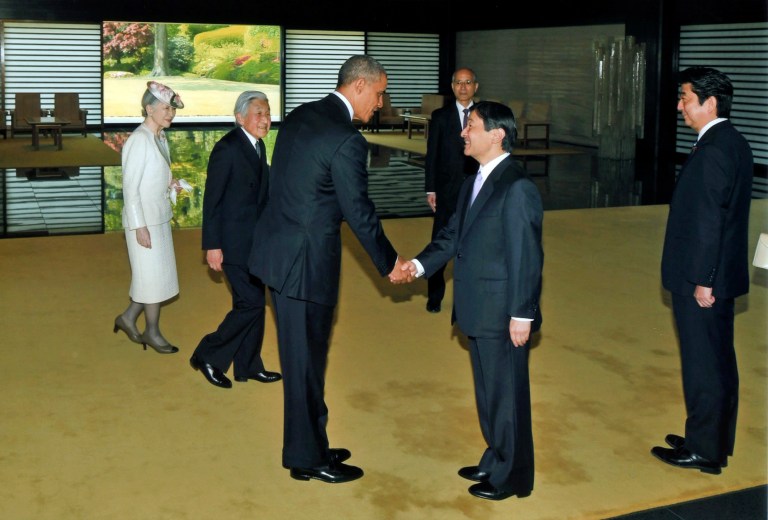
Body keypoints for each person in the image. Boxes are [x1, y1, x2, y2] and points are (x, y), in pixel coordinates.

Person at [248, 55, 409, 484]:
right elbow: (359, 212)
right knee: (304, 363)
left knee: (306, 360)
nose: (380, 103)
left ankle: (312, 442)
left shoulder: (302, 115)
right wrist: (390, 263)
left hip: (278, 255)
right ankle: (306, 459)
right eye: (379, 94)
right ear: (359, 87)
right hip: (304, 266)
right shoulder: (346, 139)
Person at [398, 101, 543, 501]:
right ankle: (496, 456)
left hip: (502, 311)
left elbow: (527, 257)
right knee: (488, 391)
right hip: (479, 307)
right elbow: (450, 237)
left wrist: (521, 314)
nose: (463, 132)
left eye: (472, 126)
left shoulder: (517, 186)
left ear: (497, 134)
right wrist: (416, 266)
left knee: (506, 395)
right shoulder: (475, 180)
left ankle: (512, 476)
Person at [651, 67, 754, 475]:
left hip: (703, 278)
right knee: (717, 359)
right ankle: (711, 438)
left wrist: (703, 280)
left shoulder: (713, 150)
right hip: (716, 274)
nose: (680, 107)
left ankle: (704, 451)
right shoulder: (731, 141)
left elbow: (710, 221)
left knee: (702, 364)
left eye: (685, 98)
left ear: (709, 103)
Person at [189, 91, 282, 389]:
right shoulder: (227, 148)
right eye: (258, 113)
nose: (265, 119)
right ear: (239, 117)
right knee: (251, 303)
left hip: (255, 243)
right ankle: (208, 355)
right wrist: (212, 246)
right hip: (231, 243)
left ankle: (248, 365)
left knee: (253, 300)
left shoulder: (258, 146)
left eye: (267, 113)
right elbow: (212, 201)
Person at [112, 81, 186, 354]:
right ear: (149, 109)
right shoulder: (139, 140)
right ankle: (151, 332)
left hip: (159, 217)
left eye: (172, 109)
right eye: (165, 108)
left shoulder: (159, 137)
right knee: (151, 280)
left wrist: (170, 182)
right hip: (143, 222)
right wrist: (139, 227)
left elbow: (153, 175)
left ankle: (128, 318)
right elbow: (130, 190)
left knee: (153, 277)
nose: (170, 114)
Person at [423, 67, 480, 313]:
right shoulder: (440, 116)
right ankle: (434, 296)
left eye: (468, 82)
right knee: (440, 242)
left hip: (478, 188)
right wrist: (431, 189)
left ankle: (470, 299)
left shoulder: (484, 115)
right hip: (447, 190)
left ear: (475, 86)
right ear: (452, 86)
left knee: (476, 245)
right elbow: (432, 155)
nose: (463, 87)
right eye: (459, 82)